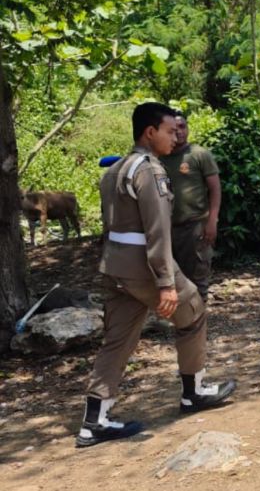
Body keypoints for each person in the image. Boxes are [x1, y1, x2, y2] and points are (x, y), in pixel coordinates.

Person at [76, 102, 235, 448]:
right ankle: (194, 392)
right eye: (168, 131)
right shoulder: (150, 170)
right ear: (150, 132)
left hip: (115, 268)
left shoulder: (115, 169)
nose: (174, 137)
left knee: (118, 339)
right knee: (193, 311)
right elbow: (157, 230)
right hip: (144, 269)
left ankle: (94, 421)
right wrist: (166, 283)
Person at [160, 111, 221, 301]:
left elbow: (215, 189)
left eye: (183, 127)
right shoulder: (160, 157)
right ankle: (183, 317)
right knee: (172, 279)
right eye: (174, 128)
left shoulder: (199, 154)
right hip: (167, 228)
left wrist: (212, 221)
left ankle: (199, 315)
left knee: (198, 278)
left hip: (195, 226)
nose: (179, 132)